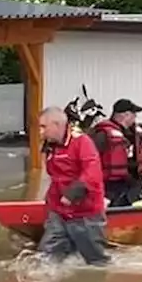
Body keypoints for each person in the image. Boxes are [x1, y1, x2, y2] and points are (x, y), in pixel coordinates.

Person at [38, 106, 110, 266]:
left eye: (44, 127)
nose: (40, 132)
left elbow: (92, 173)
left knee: (97, 262)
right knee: (46, 258)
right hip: (59, 214)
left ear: (56, 125)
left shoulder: (82, 142)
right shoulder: (50, 146)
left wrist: (71, 194)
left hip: (85, 215)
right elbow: (53, 177)